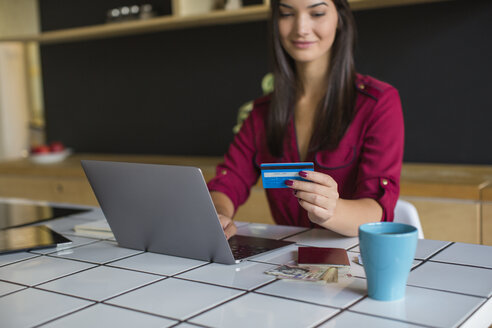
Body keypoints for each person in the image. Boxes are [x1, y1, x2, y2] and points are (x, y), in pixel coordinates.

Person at [207, 0, 404, 239]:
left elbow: (378, 212)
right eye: (287, 14)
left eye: (317, 13)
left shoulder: (378, 103)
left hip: (354, 259)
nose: (301, 28)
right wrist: (218, 215)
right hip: (289, 258)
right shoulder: (262, 112)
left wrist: (333, 210)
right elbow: (228, 182)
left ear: (340, 18)